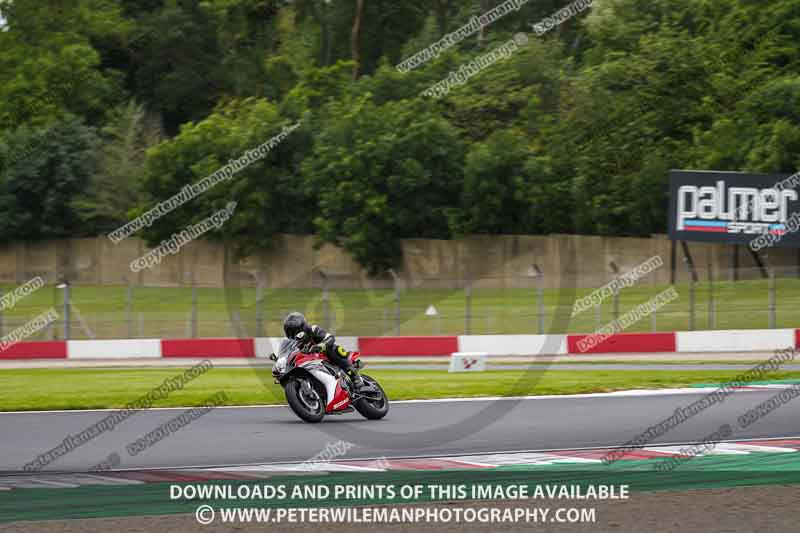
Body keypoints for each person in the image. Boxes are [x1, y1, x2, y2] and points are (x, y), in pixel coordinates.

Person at [282, 312, 365, 389]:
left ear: (302, 327)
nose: (292, 334)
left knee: (333, 349)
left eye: (294, 331)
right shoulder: (293, 344)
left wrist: (321, 345)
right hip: (310, 362)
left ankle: (355, 377)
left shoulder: (313, 330)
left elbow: (330, 338)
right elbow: (289, 353)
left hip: (324, 356)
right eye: (289, 332)